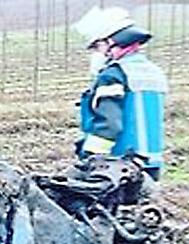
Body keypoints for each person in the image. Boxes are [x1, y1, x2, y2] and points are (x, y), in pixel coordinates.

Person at [72, 7, 168, 181]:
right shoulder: (153, 71)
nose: (96, 53)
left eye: (97, 46)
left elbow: (109, 124)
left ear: (113, 41)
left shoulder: (113, 74)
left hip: (118, 165)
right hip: (151, 163)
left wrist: (91, 155)